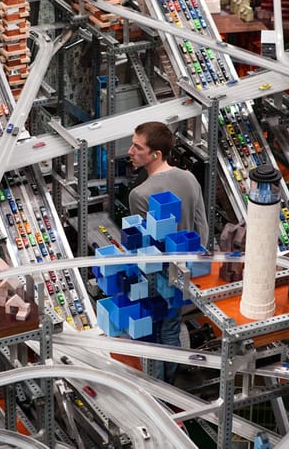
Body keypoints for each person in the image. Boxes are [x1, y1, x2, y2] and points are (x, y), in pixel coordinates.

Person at [126, 121, 209, 384]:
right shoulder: (189, 178)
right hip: (183, 274)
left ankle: (157, 393)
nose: (130, 151)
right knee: (171, 331)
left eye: (137, 147)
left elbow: (144, 250)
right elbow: (202, 228)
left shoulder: (139, 195)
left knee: (151, 338)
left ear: (156, 154)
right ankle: (169, 388)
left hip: (156, 279)